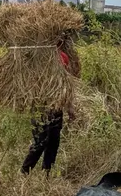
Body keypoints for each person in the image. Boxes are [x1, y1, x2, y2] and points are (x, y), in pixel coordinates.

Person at [20, 39, 80, 175]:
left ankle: (46, 174)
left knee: (54, 142)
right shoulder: (38, 56)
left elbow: (66, 84)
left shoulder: (63, 56)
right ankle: (24, 173)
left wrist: (70, 107)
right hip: (40, 105)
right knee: (40, 141)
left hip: (57, 106)